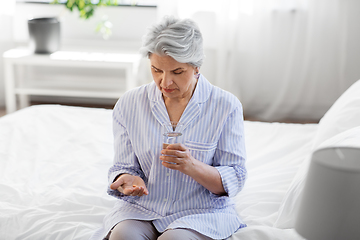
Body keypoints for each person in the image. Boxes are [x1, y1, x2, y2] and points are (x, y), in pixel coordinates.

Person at [98, 16, 247, 240]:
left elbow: (235, 176)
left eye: (177, 72)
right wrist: (128, 179)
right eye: (157, 70)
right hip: (143, 209)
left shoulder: (226, 107)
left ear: (197, 67)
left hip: (201, 212)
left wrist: (192, 166)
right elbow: (123, 165)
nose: (165, 82)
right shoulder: (129, 104)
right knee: (123, 236)